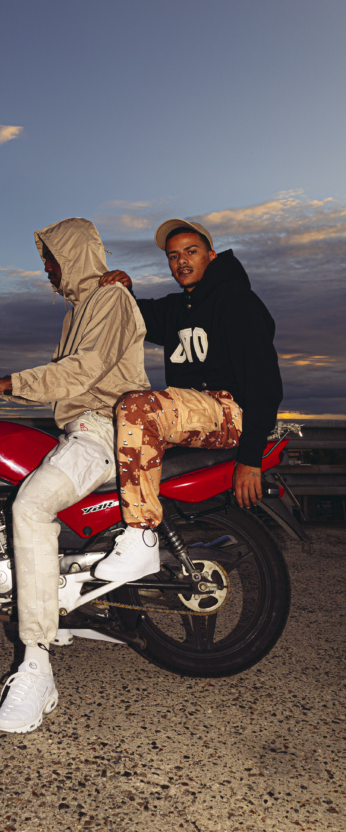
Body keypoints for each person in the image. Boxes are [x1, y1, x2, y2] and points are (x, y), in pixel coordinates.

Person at [0, 217, 158, 734]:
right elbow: (71, 381)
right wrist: (3, 389)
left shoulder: (111, 299)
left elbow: (83, 371)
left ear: (74, 255)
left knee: (30, 507)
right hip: (81, 427)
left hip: (105, 430)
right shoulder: (81, 308)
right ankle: (57, 604)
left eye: (52, 259)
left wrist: (7, 383)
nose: (47, 270)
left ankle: (37, 667)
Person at [95, 218, 282, 574]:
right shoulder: (177, 308)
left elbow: (264, 382)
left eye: (191, 251)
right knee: (104, 420)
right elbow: (134, 316)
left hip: (228, 412)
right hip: (192, 411)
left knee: (137, 408)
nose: (181, 260)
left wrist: (251, 459)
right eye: (173, 255)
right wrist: (124, 289)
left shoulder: (237, 300)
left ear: (212, 256)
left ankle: (140, 535)